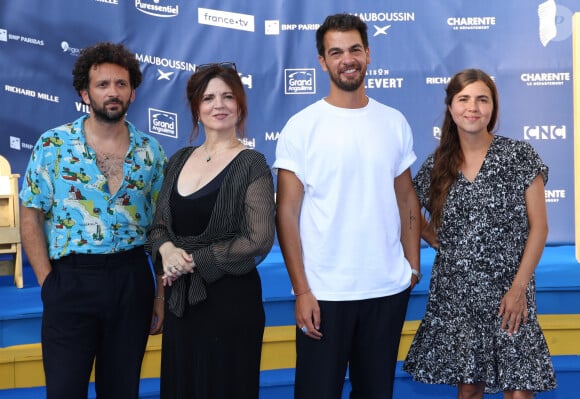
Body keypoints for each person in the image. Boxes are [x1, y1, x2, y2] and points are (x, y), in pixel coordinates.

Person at [274, 13, 422, 399]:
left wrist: (412, 266)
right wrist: (302, 290)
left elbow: (406, 196)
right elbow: (286, 212)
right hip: (324, 294)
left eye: (355, 49)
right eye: (336, 52)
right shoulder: (301, 127)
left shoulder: (394, 121)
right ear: (323, 62)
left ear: (368, 54)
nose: (347, 58)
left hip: (386, 290)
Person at [19, 42, 167, 398]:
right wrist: (47, 283)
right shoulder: (53, 145)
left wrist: (160, 296)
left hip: (132, 281)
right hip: (70, 281)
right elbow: (30, 214)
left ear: (133, 91)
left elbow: (163, 227)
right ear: (85, 93)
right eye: (102, 85)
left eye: (121, 83)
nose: (112, 92)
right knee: (65, 390)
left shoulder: (152, 152)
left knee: (122, 390)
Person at [403, 68, 557, 398]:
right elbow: (409, 206)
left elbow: (540, 228)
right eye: (464, 99)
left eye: (482, 99)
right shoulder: (438, 163)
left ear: (493, 107)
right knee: (469, 389)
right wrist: (432, 237)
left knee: (519, 389)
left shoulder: (519, 155)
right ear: (450, 107)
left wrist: (518, 289)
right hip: (458, 291)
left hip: (511, 289)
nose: (473, 107)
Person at [146, 62, 276, 399]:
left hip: (231, 304)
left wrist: (194, 260)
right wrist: (167, 251)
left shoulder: (252, 163)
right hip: (182, 307)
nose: (219, 105)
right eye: (208, 98)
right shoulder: (177, 159)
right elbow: (159, 226)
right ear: (196, 109)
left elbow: (259, 239)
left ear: (240, 105)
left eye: (227, 96)